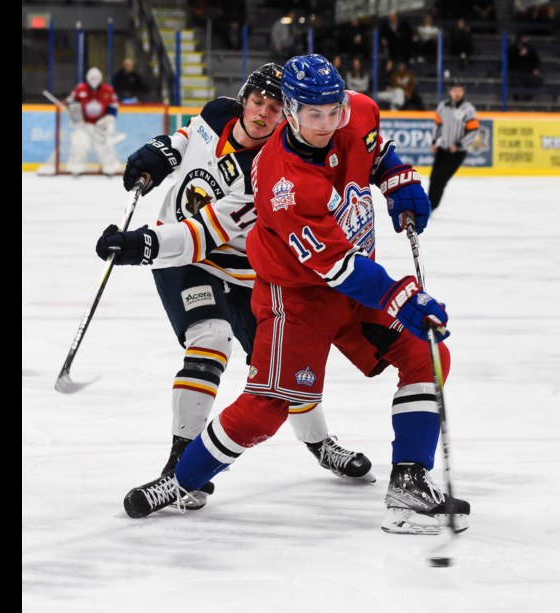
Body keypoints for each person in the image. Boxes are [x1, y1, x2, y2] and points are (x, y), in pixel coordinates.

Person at [121, 54, 470, 536]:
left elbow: (374, 146)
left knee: (429, 358)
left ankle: (409, 480)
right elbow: (336, 267)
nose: (328, 123)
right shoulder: (282, 182)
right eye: (314, 114)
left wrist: (397, 178)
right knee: (267, 409)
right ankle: (182, 480)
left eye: (334, 111)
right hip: (297, 297)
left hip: (354, 287)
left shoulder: (358, 110)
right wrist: (402, 298)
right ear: (291, 111)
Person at [95, 63, 375, 512]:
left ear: (287, 115)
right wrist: (165, 149)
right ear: (243, 98)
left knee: (281, 370)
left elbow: (204, 232)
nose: (263, 114)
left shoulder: (268, 170)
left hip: (239, 268)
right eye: (257, 102)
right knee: (209, 337)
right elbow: (192, 135)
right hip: (182, 262)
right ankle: (181, 463)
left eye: (273, 108)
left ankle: (320, 443)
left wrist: (139, 244)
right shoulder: (217, 113)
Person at [428, 79, 480, 212]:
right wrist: (434, 141)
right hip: (442, 149)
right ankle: (428, 205)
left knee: (440, 179)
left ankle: (431, 206)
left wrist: (459, 144)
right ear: (450, 91)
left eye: (460, 90)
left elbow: (474, 131)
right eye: (454, 90)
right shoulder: (442, 106)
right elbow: (437, 125)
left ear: (463, 92)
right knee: (434, 178)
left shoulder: (468, 109)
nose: (457, 93)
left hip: (457, 153)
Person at [65, 67, 122, 176]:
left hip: (100, 125)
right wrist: (76, 117)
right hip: (84, 124)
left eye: (96, 78)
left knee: (104, 145)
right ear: (87, 78)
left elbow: (113, 105)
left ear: (100, 78)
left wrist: (108, 118)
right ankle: (76, 168)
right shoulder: (80, 89)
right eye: (92, 77)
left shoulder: (108, 90)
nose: (94, 80)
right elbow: (69, 101)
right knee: (80, 144)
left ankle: (110, 168)